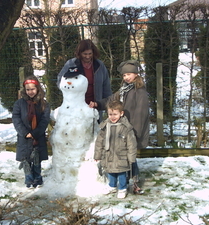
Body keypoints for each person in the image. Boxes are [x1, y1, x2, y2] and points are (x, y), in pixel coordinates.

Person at [90, 60, 149, 194]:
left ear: (135, 74)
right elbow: (111, 100)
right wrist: (97, 104)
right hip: (122, 128)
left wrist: (134, 133)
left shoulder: (140, 92)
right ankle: (126, 181)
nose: (126, 77)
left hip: (132, 129)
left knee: (130, 157)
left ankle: (134, 182)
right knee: (124, 156)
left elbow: (141, 114)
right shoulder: (124, 90)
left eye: (129, 74)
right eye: (124, 75)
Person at [57, 39, 112, 121]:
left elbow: (106, 87)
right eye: (85, 54)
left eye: (90, 54)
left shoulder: (100, 65)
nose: (87, 56)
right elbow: (60, 82)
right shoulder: (71, 64)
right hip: (75, 109)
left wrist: (108, 104)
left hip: (95, 106)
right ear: (79, 53)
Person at [12, 75, 50, 188]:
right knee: (26, 159)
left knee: (37, 157)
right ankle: (29, 179)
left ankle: (38, 177)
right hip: (24, 137)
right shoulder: (19, 104)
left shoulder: (44, 104)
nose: (30, 92)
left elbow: (45, 120)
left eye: (32, 89)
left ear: (37, 89)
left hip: (38, 136)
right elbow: (16, 119)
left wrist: (35, 133)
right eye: (28, 89)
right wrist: (25, 132)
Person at [94, 100, 137, 199]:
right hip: (108, 154)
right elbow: (99, 141)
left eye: (115, 114)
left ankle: (122, 188)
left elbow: (131, 143)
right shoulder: (105, 126)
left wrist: (131, 157)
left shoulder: (126, 128)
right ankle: (112, 186)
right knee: (110, 171)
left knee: (121, 172)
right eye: (110, 114)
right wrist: (97, 155)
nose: (112, 117)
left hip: (121, 155)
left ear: (121, 113)